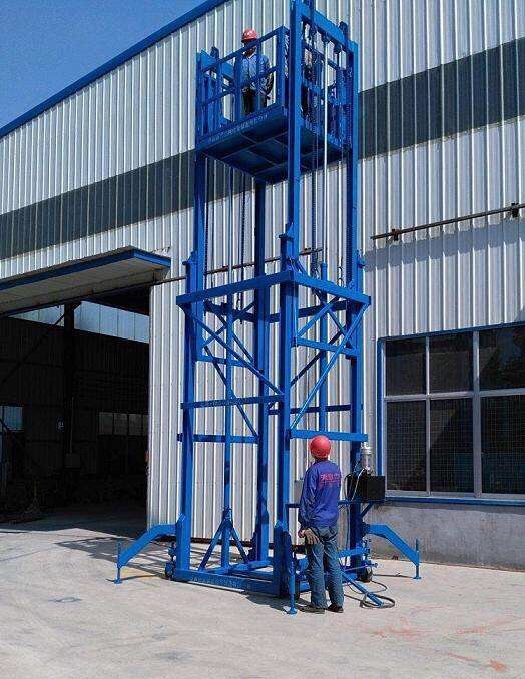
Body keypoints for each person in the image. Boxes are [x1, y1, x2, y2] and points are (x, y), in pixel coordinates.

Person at [298, 435, 344, 613]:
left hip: (316, 525)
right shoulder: (336, 469)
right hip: (332, 522)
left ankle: (318, 603)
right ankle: (337, 603)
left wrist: (304, 524)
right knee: (333, 562)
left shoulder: (313, 471)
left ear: (313, 452)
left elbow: (307, 499)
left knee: (316, 563)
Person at [239, 28, 274, 115]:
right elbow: (236, 76)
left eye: (251, 41)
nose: (249, 44)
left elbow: (270, 75)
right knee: (245, 117)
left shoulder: (263, 58)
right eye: (246, 42)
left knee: (258, 115)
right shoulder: (240, 60)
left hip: (259, 91)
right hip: (244, 92)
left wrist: (265, 90)